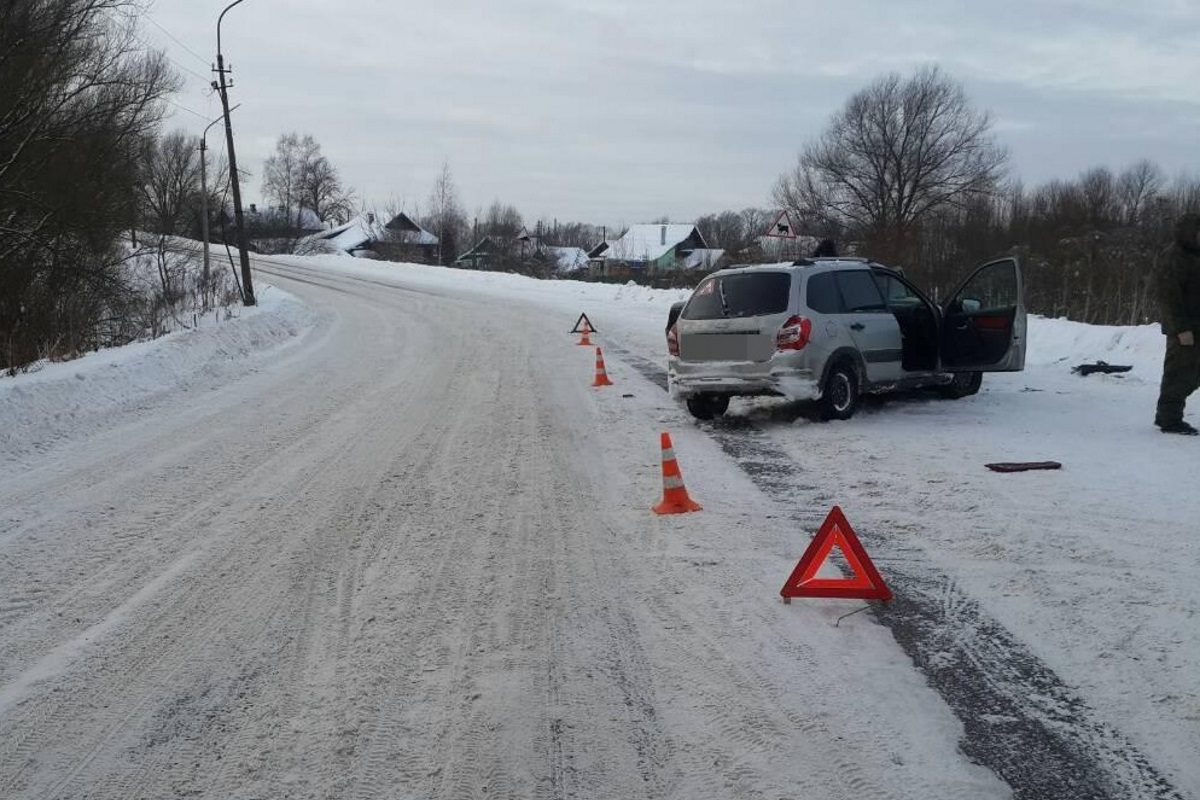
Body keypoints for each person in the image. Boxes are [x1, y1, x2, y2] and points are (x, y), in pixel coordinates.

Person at [1154, 212, 1200, 434]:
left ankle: (1168, 415)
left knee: (1193, 375)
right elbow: (1168, 296)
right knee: (1179, 373)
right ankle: (1169, 418)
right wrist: (1181, 328)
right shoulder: (1175, 257)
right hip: (1184, 328)